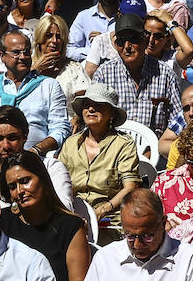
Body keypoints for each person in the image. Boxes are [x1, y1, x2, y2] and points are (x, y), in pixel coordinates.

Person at [0, 150, 92, 281]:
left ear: (42, 179)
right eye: (12, 187)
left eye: (25, 181)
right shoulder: (2, 223)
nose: (20, 191)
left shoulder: (70, 227)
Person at [59, 85, 140, 231]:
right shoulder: (70, 144)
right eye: (87, 105)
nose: (91, 109)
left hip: (110, 223)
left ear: (111, 113)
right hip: (73, 218)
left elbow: (130, 187)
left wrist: (103, 210)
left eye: (98, 105)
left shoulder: (123, 144)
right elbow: (58, 183)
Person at [90, 12, 181, 134]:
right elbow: (93, 118)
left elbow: (178, 121)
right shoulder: (103, 74)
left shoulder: (166, 74)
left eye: (133, 39)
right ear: (116, 45)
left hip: (156, 144)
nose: (127, 46)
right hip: (113, 143)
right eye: (121, 41)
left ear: (144, 41)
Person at [0, 29, 69, 154]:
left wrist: (36, 151)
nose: (23, 57)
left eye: (26, 52)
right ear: (2, 55)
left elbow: (60, 128)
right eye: (16, 53)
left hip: (38, 158)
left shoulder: (48, 85)